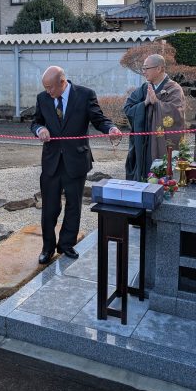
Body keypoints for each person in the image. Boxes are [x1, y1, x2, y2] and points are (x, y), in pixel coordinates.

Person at [31, 66, 122, 265]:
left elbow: (98, 119)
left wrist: (111, 129)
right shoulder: (43, 98)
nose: (47, 91)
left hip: (76, 160)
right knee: (49, 208)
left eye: (50, 87)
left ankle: (66, 244)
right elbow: (35, 121)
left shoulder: (85, 95)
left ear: (62, 82)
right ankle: (47, 248)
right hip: (52, 161)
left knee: (73, 205)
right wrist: (40, 129)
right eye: (45, 87)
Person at [124, 54, 186, 182]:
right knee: (143, 174)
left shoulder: (174, 89)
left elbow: (177, 113)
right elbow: (128, 108)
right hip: (144, 141)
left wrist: (157, 103)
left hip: (161, 142)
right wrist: (145, 103)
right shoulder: (144, 89)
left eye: (146, 68)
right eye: (143, 68)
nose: (143, 71)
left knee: (162, 177)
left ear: (159, 69)